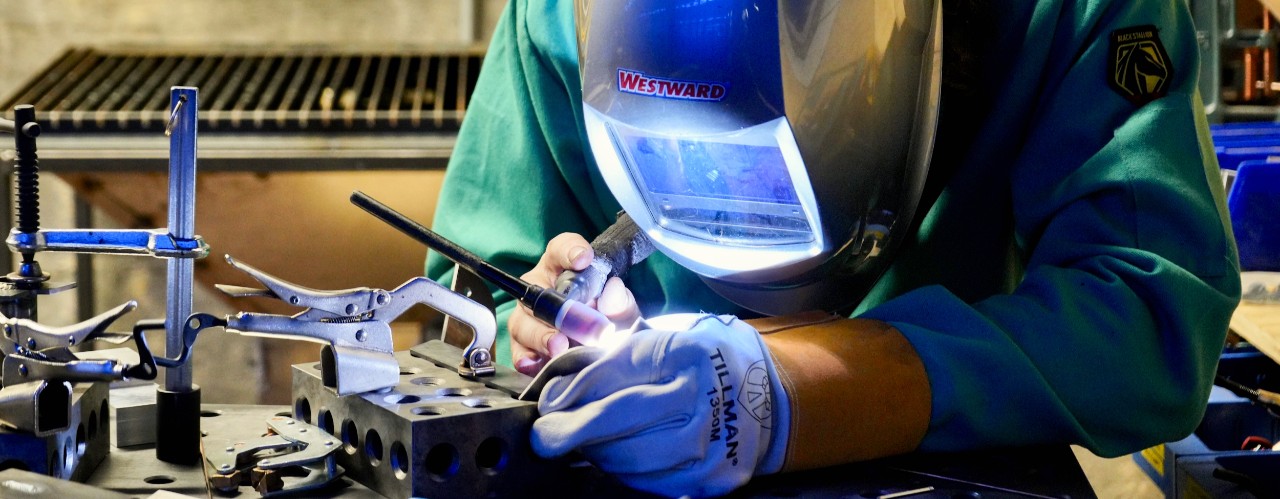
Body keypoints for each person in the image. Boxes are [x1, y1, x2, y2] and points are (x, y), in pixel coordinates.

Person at [426, 0, 1242, 497]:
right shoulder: (554, 18)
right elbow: (471, 296)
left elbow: (1149, 315)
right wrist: (526, 326)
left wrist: (810, 389)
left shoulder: (1064, 11)